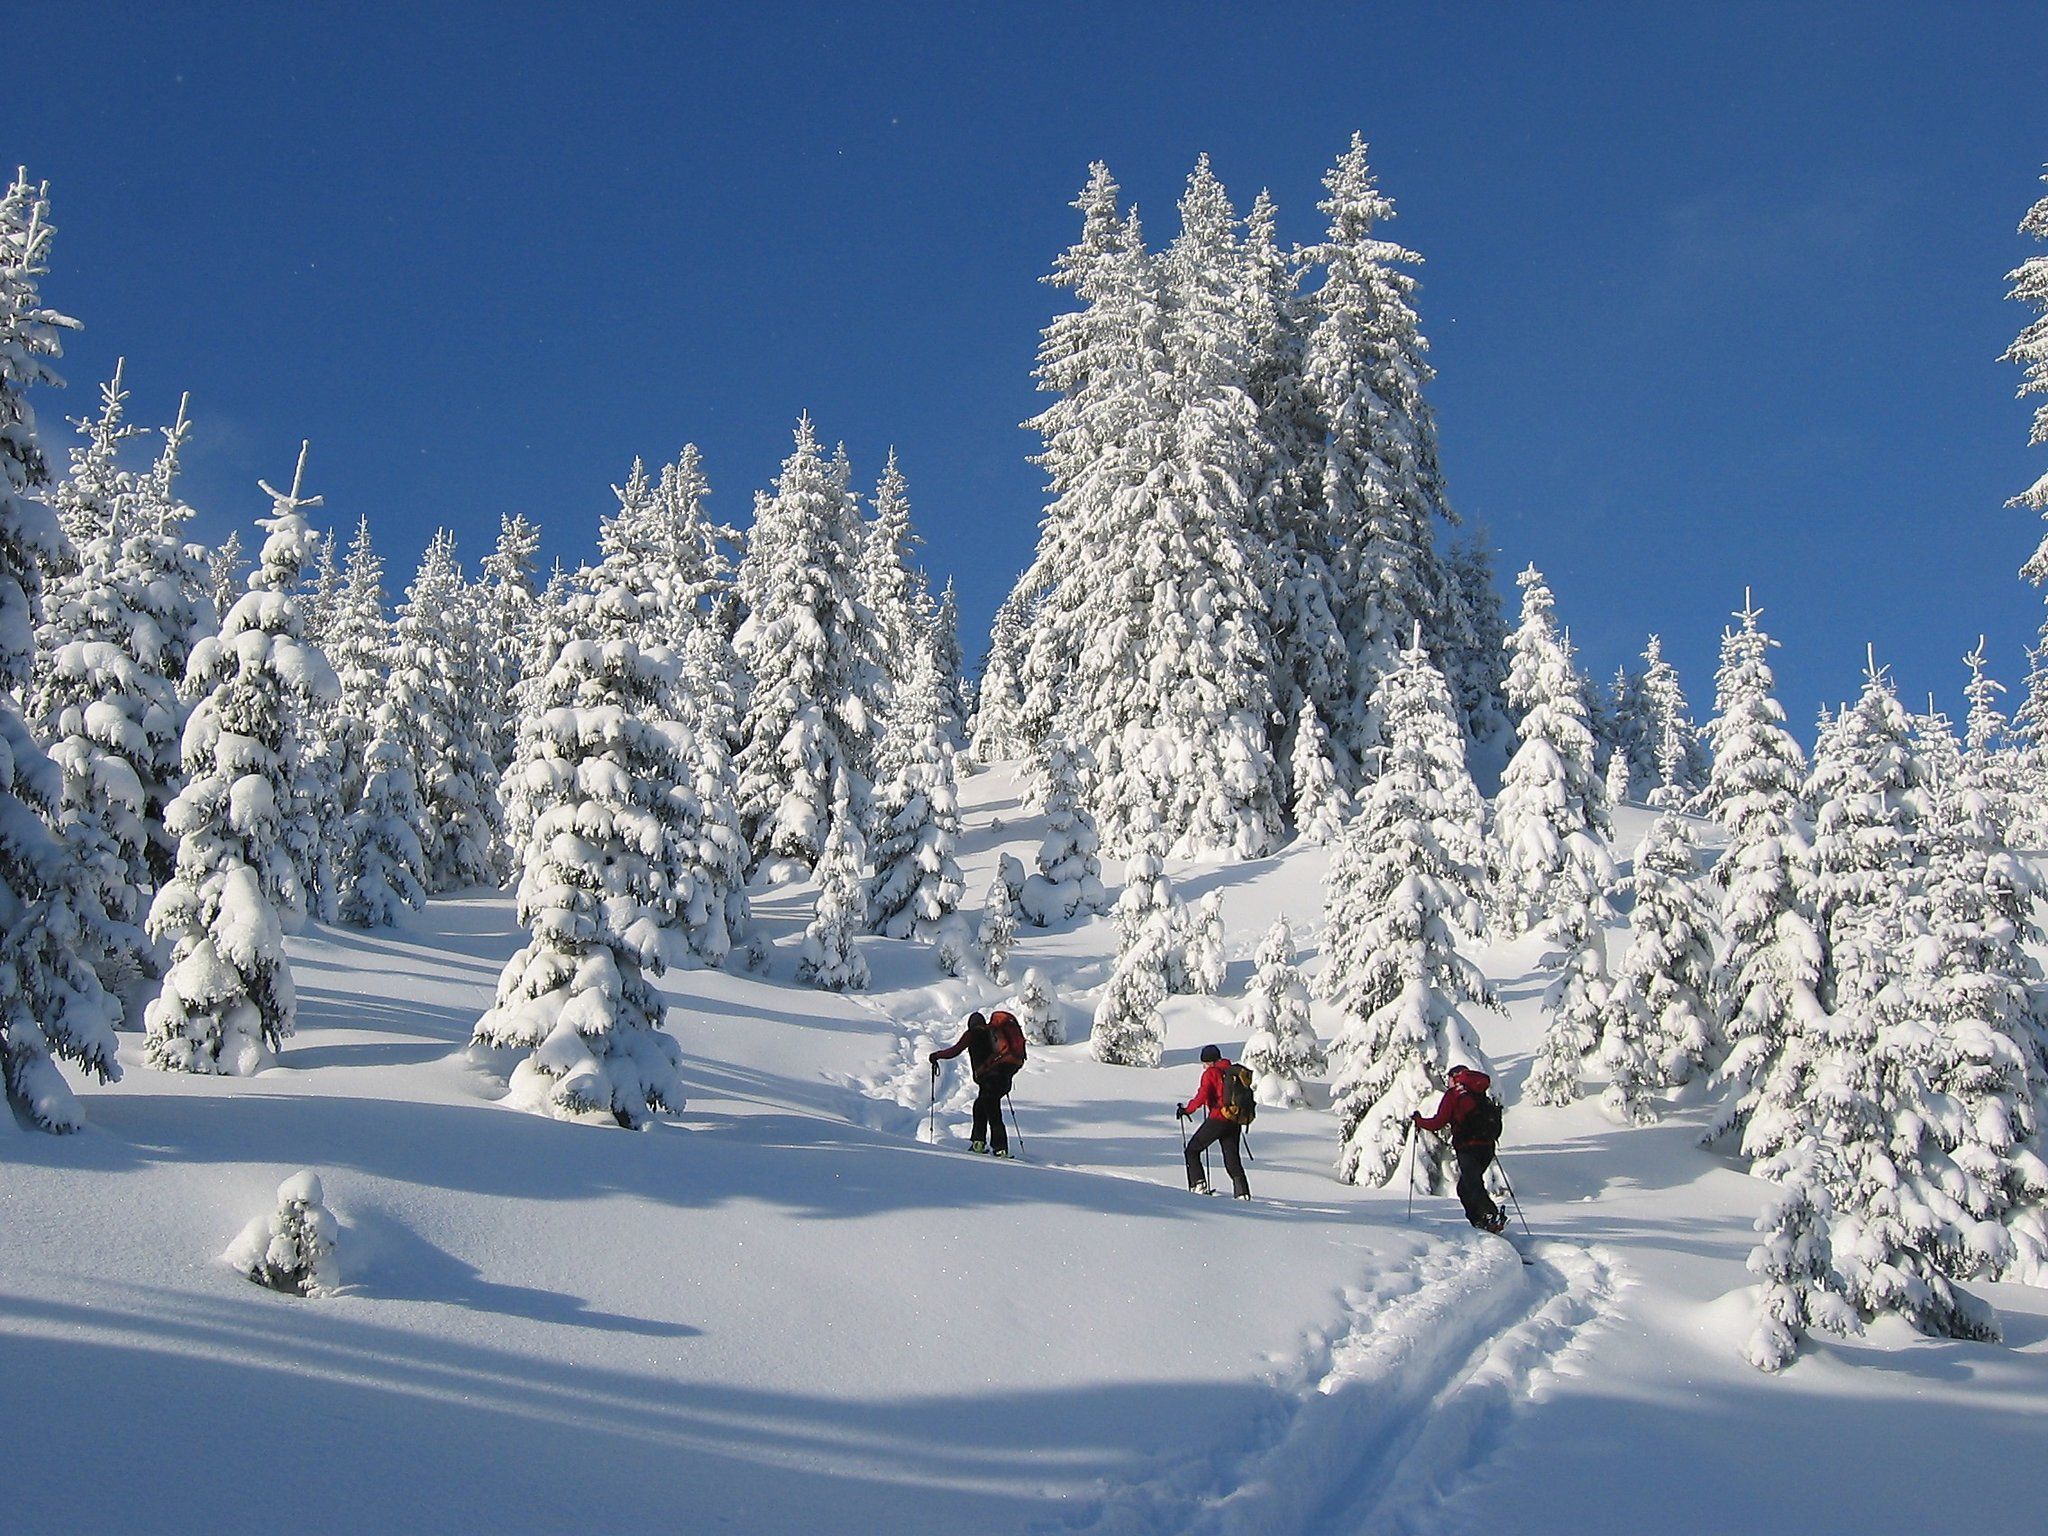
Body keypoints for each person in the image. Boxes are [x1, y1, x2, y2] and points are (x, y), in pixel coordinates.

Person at [1411, 1064, 1507, 1233]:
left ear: (1454, 1078)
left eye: (1448, 1079)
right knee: (1465, 1186)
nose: (1447, 1083)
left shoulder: (1454, 1095)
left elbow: (1438, 1122)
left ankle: (1490, 1216)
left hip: (1467, 1146)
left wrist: (1420, 1121)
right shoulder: (1479, 1093)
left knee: (1471, 1182)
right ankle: (1481, 1222)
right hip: (1487, 1146)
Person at [929, 1011, 1016, 1156]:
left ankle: (999, 1149)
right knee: (980, 1107)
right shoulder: (992, 1033)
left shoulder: (972, 1034)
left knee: (993, 1113)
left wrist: (937, 1055)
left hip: (989, 1081)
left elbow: (955, 1050)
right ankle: (979, 1143)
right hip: (1002, 1080)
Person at [1177, 1044, 1250, 1199]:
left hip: (1218, 1119)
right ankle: (1242, 1193)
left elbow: (1202, 1095)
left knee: (1192, 1150)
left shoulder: (1211, 1073)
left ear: (1209, 1061)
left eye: (1204, 1063)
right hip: (1234, 1119)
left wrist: (1187, 1110)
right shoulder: (1231, 1071)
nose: (1203, 1066)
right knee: (1232, 1158)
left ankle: (1198, 1184)